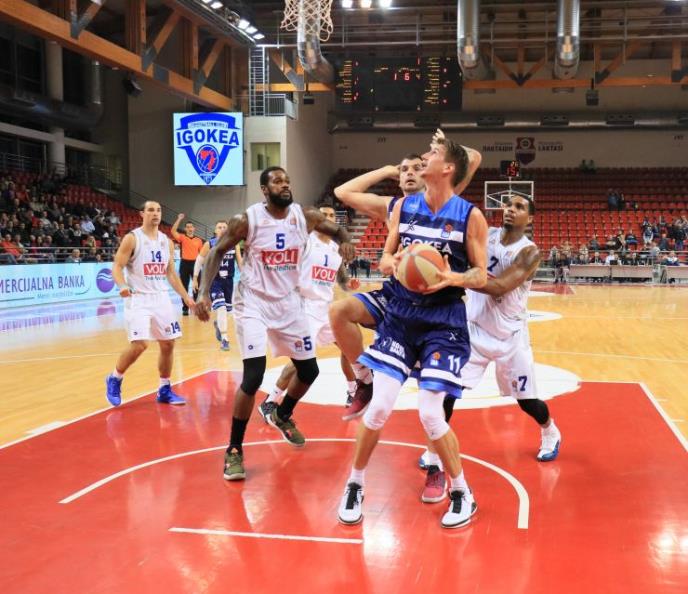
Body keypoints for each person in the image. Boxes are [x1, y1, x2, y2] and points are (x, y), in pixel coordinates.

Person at [336, 135, 488, 530]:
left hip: (443, 320)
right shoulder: (404, 207)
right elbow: (386, 256)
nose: (424, 158)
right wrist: (392, 263)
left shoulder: (470, 216)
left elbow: (480, 274)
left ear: (448, 168)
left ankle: (462, 492)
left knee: (430, 413)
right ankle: (355, 484)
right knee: (379, 408)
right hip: (402, 314)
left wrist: (452, 277)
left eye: (432, 155)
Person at [195, 167, 355, 481]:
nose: (285, 185)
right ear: (265, 190)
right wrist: (202, 293)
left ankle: (281, 414)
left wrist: (346, 241)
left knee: (309, 371)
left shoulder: (305, 216)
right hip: (253, 303)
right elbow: (217, 251)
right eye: (277, 181)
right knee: (253, 377)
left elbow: (338, 231)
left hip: (289, 302)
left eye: (287, 180)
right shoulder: (247, 220)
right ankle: (234, 449)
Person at [330, 136, 481, 419]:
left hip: (437, 306)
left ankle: (436, 436)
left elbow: (472, 158)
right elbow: (342, 191)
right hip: (398, 296)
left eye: (417, 167)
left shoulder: (446, 199)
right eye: (404, 170)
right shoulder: (393, 206)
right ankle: (363, 380)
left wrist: (441, 149)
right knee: (339, 311)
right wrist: (387, 170)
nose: (410, 172)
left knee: (434, 400)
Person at [449, 195, 561, 467]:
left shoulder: (529, 252)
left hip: (510, 337)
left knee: (527, 401)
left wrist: (452, 277)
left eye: (519, 207)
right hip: (474, 330)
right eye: (508, 205)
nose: (511, 209)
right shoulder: (485, 234)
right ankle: (435, 448)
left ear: (530, 218)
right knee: (447, 390)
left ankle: (550, 430)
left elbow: (500, 287)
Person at [260, 204, 359, 416]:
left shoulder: (336, 248)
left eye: (332, 215)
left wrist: (348, 284)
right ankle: (270, 400)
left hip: (326, 309)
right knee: (302, 360)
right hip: (304, 308)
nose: (328, 218)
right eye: (324, 215)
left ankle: (353, 391)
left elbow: (341, 279)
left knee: (348, 348)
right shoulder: (304, 242)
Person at [105, 201, 195, 407]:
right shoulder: (132, 238)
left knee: (168, 343)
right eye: (151, 210)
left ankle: (164, 389)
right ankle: (115, 378)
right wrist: (122, 285)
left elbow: (171, 274)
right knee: (140, 344)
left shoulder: (166, 242)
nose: (155, 213)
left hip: (161, 298)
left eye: (159, 210)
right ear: (142, 214)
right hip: (138, 298)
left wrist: (186, 297)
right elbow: (117, 266)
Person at [193, 220, 242, 351]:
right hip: (214, 281)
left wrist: (246, 276)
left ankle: (219, 324)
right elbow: (199, 261)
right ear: (215, 230)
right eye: (219, 227)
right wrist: (195, 278)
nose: (222, 229)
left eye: (224, 227)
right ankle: (225, 339)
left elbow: (240, 262)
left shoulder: (234, 244)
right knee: (221, 308)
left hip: (228, 282)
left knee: (228, 312)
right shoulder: (209, 244)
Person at [171, 214, 203, 316]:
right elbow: (173, 231)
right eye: (188, 227)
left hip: (195, 264)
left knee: (197, 286)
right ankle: (185, 308)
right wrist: (179, 219)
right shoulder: (182, 238)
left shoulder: (199, 240)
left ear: (194, 228)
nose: (189, 229)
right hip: (184, 264)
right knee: (183, 287)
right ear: (185, 229)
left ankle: (196, 307)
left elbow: (202, 255)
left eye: (191, 227)